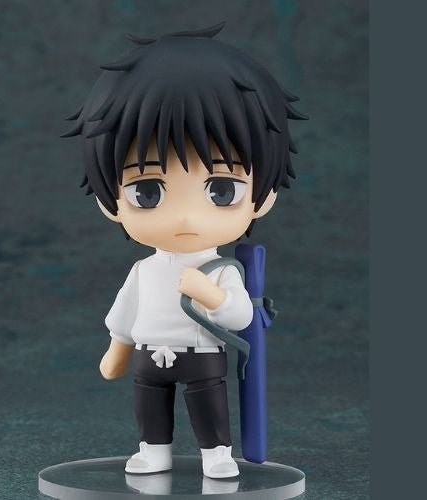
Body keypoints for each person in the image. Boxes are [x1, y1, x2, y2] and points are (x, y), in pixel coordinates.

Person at [62, 22, 305, 478]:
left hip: (201, 355)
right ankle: (153, 451)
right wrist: (117, 350)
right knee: (149, 405)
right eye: (148, 191)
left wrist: (209, 294)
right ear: (110, 201)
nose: (186, 219)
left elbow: (241, 316)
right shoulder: (143, 270)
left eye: (221, 190)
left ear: (263, 197)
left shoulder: (222, 270)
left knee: (208, 404)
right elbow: (124, 314)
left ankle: (217, 453)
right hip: (148, 354)